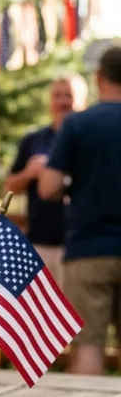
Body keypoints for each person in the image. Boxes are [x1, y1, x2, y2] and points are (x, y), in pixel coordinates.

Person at [39, 46, 121, 375]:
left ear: (99, 77)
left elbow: (47, 186)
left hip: (88, 248)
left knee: (89, 344)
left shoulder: (78, 124)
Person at [4, 75, 88, 284]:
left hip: (78, 244)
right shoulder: (33, 139)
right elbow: (9, 186)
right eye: (57, 95)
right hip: (38, 243)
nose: (62, 101)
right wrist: (29, 173)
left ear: (83, 100)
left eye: (68, 95)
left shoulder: (90, 139)